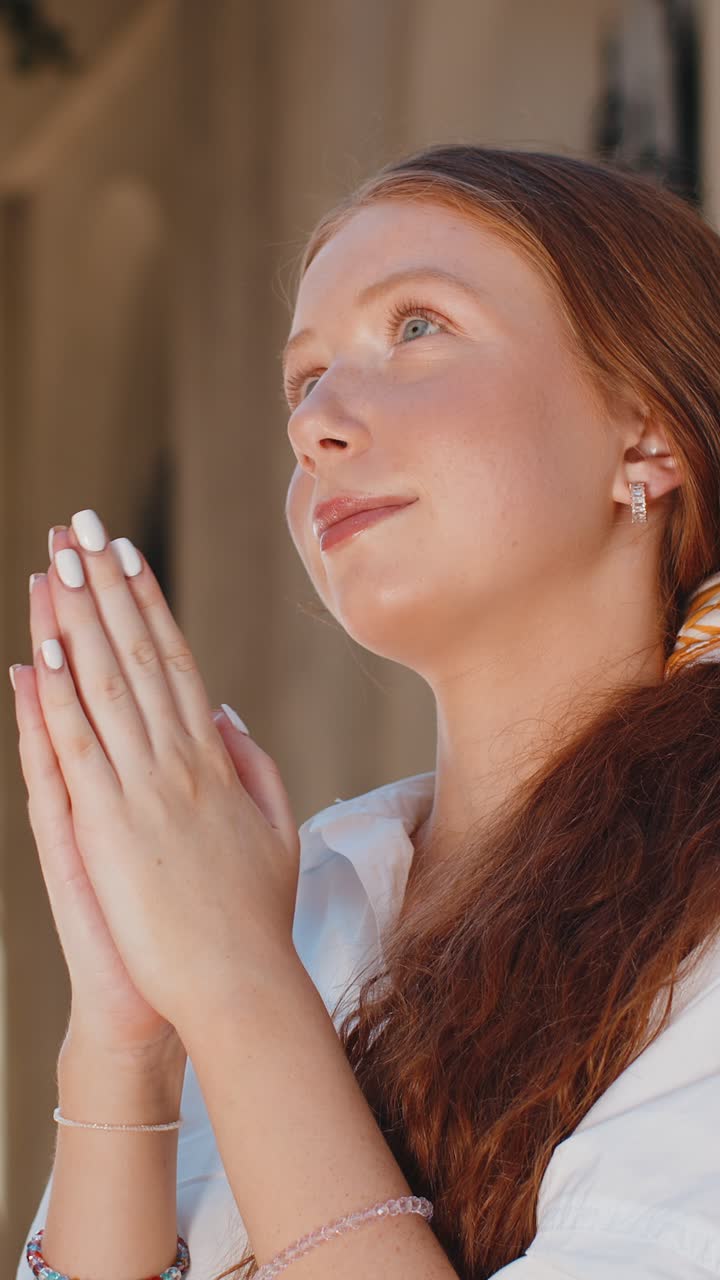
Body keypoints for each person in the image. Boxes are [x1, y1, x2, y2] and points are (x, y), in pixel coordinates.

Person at [14, 143, 720, 1280]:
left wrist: (240, 986)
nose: (317, 423)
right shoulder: (305, 899)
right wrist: (123, 1043)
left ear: (647, 431)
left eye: (418, 328)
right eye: (302, 382)